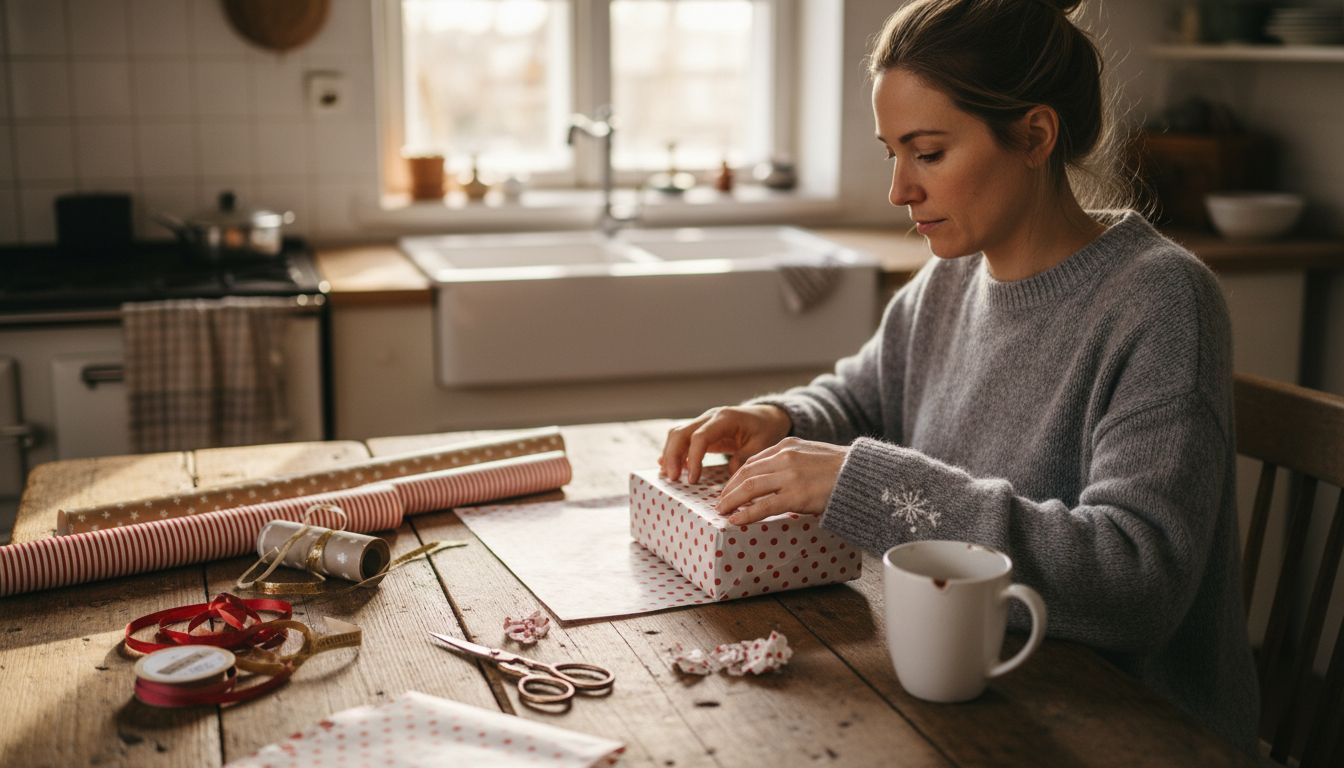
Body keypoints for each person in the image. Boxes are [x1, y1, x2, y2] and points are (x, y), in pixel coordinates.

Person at [658, 0, 1259, 751]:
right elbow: (862, 399)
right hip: (963, 700)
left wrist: (868, 484)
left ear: (1035, 135)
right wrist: (779, 420)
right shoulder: (948, 282)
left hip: (1127, 733)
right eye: (892, 153)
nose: (899, 190)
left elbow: (1135, 581)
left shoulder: (1162, 301)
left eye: (929, 153)